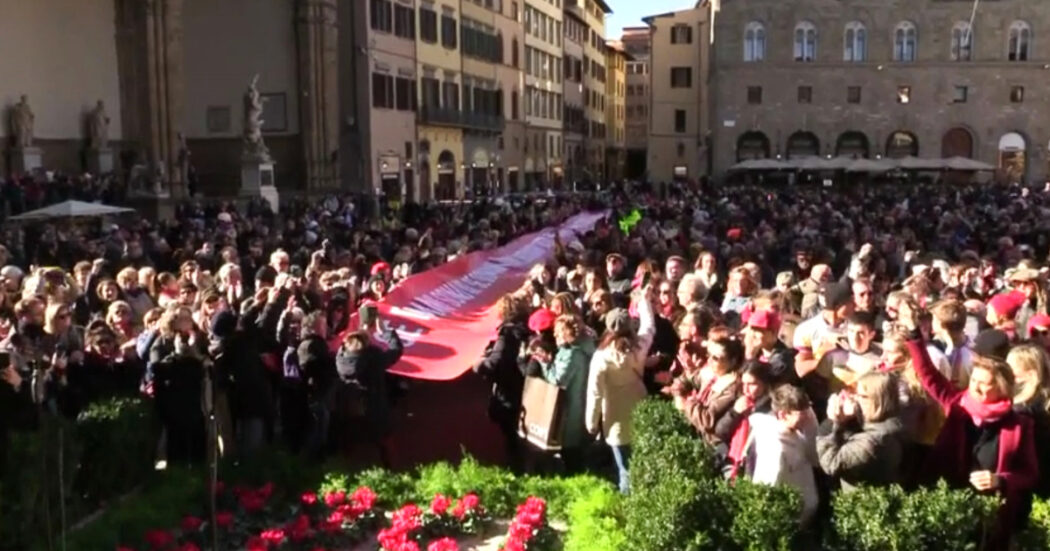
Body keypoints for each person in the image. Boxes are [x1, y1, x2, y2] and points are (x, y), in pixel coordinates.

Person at [900, 301, 1039, 543]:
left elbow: (1029, 474)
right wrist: (914, 334)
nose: (976, 387)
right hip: (947, 509)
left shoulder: (1019, 425)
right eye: (974, 380)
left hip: (990, 518)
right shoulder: (957, 403)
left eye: (985, 383)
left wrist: (1001, 480)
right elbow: (928, 374)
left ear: (1002, 388)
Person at [585, 290, 656, 493]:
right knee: (641, 466)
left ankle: (628, 507)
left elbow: (595, 392)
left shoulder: (601, 357)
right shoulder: (640, 346)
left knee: (624, 469)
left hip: (615, 417)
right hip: (639, 407)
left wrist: (591, 424)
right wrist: (643, 301)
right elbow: (649, 326)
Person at [816, 372, 906, 491]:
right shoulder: (895, 420)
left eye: (862, 396)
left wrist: (833, 421)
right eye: (856, 394)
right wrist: (849, 420)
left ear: (879, 400)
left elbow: (831, 463)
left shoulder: (873, 442)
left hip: (864, 503)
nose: (856, 400)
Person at [473, 294, 531, 472]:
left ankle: (517, 469)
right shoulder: (527, 330)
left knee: (512, 435)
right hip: (524, 387)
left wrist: (478, 362)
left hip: (508, 390)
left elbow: (494, 363)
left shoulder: (507, 334)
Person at [749, 384, 820, 526]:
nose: (807, 418)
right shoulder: (773, 447)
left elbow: (815, 457)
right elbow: (767, 488)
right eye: (802, 414)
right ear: (783, 414)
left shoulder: (797, 430)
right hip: (788, 520)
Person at [336, 324, 404, 467]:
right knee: (384, 439)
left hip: (350, 405)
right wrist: (385, 332)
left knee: (351, 436)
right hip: (374, 405)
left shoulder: (340, 359)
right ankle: (389, 467)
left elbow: (344, 348)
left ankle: (347, 464)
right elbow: (396, 350)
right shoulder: (373, 358)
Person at [535, 314, 595, 473]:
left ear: (569, 332)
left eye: (559, 331)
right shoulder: (573, 350)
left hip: (570, 411)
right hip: (574, 408)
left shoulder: (572, 354)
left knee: (572, 455)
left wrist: (545, 364)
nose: (555, 334)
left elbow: (558, 381)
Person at [715, 360, 775, 478]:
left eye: (752, 384)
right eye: (743, 384)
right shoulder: (741, 401)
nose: (746, 389)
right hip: (731, 460)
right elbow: (721, 431)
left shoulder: (770, 410)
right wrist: (735, 413)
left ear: (765, 384)